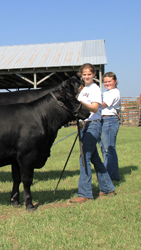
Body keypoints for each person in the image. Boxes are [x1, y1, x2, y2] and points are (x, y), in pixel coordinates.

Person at [70, 63, 115, 203]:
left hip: (93, 125)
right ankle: (108, 189)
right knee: (95, 158)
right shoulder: (83, 89)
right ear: (81, 75)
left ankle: (85, 194)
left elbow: (95, 108)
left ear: (94, 75)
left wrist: (82, 104)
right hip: (84, 126)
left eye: (89, 74)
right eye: (84, 74)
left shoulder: (94, 89)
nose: (87, 77)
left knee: (84, 158)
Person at [99, 72, 121, 181]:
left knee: (109, 149)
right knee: (104, 149)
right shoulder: (107, 92)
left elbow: (103, 105)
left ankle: (111, 175)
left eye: (110, 81)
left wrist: (88, 106)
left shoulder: (114, 92)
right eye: (105, 82)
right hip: (103, 120)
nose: (107, 83)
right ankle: (107, 173)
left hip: (109, 120)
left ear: (115, 81)